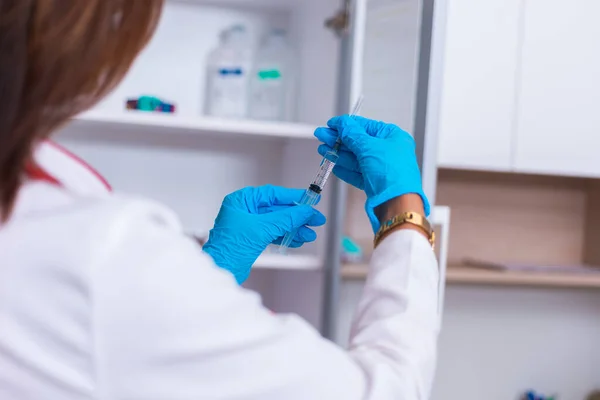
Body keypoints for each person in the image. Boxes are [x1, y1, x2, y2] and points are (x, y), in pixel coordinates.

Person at [0, 1, 440, 399]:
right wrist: (402, 210)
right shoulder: (101, 253)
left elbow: (132, 354)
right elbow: (389, 390)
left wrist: (212, 272)